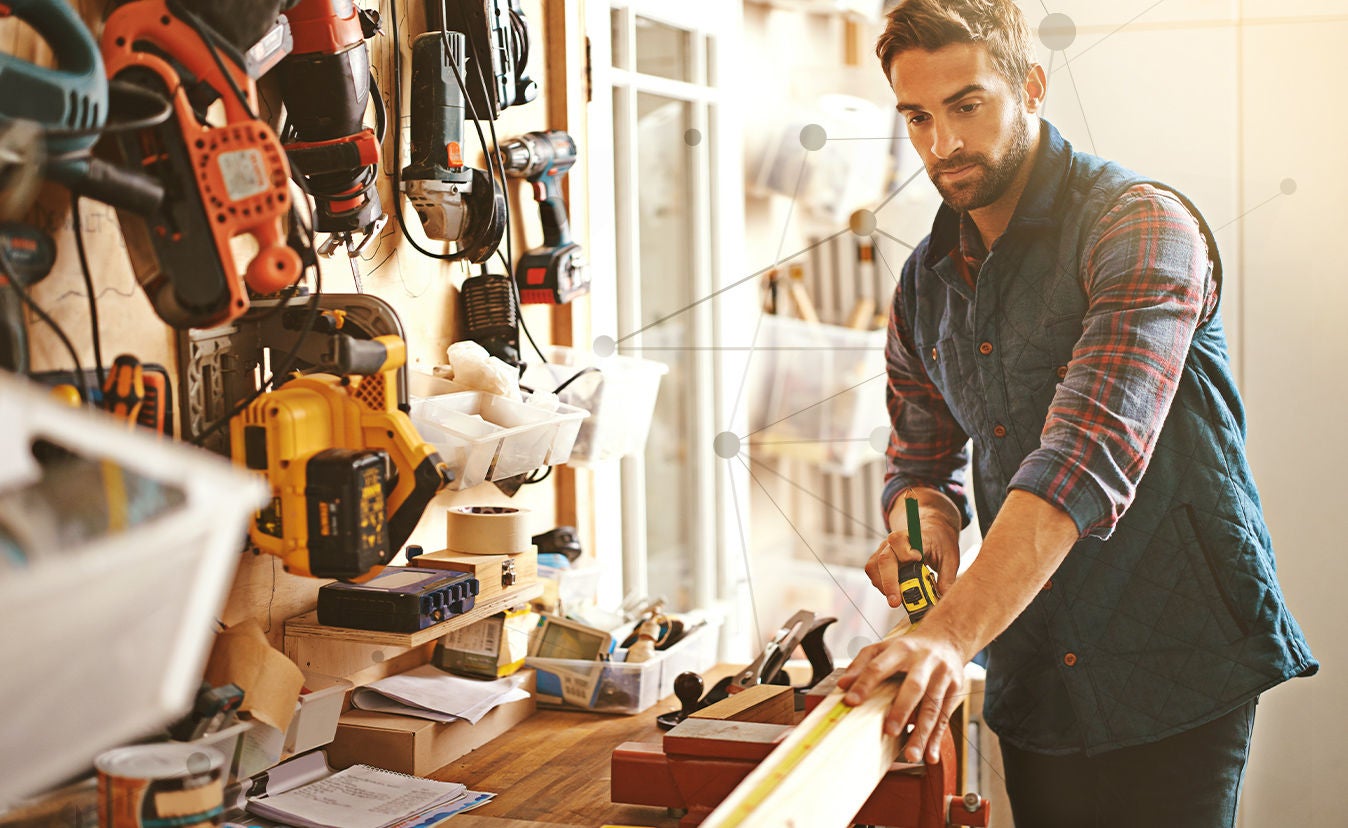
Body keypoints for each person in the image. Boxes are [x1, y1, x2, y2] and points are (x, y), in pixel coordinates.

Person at [835, 1, 1318, 825]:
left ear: (1030, 86)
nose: (941, 144)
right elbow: (921, 462)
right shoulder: (924, 283)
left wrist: (949, 636)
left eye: (966, 105)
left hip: (1175, 661)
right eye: (916, 116)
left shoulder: (1141, 225)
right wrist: (923, 534)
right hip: (1035, 677)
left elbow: (1087, 452)